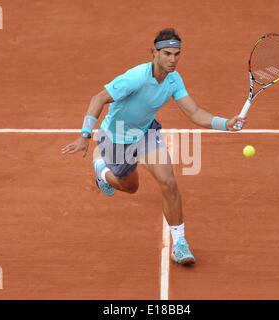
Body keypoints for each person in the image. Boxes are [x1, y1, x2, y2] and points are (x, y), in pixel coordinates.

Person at [62, 28, 245, 265]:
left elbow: (195, 112)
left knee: (169, 182)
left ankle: (179, 244)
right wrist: (85, 135)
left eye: (177, 54)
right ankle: (102, 171)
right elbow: (98, 98)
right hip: (115, 139)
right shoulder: (135, 78)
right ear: (154, 53)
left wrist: (225, 123)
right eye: (167, 53)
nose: (173, 60)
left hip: (146, 133)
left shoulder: (173, 80)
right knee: (130, 187)